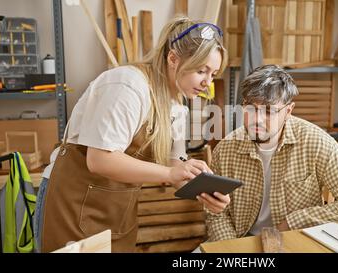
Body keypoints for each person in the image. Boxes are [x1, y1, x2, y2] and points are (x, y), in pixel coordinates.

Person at [35, 16, 230, 253]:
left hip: (118, 209)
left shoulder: (177, 105)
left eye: (213, 74)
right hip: (73, 203)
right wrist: (170, 172)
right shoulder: (127, 85)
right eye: (202, 71)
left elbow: (173, 162)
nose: (207, 83)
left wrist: (200, 184)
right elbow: (100, 159)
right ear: (173, 58)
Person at [205, 65, 338, 241]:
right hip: (243, 239)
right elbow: (216, 214)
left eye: (269, 110)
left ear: (288, 111)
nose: (257, 119)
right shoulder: (225, 150)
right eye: (250, 108)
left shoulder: (316, 142)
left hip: (297, 238)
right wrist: (232, 250)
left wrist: (293, 221)